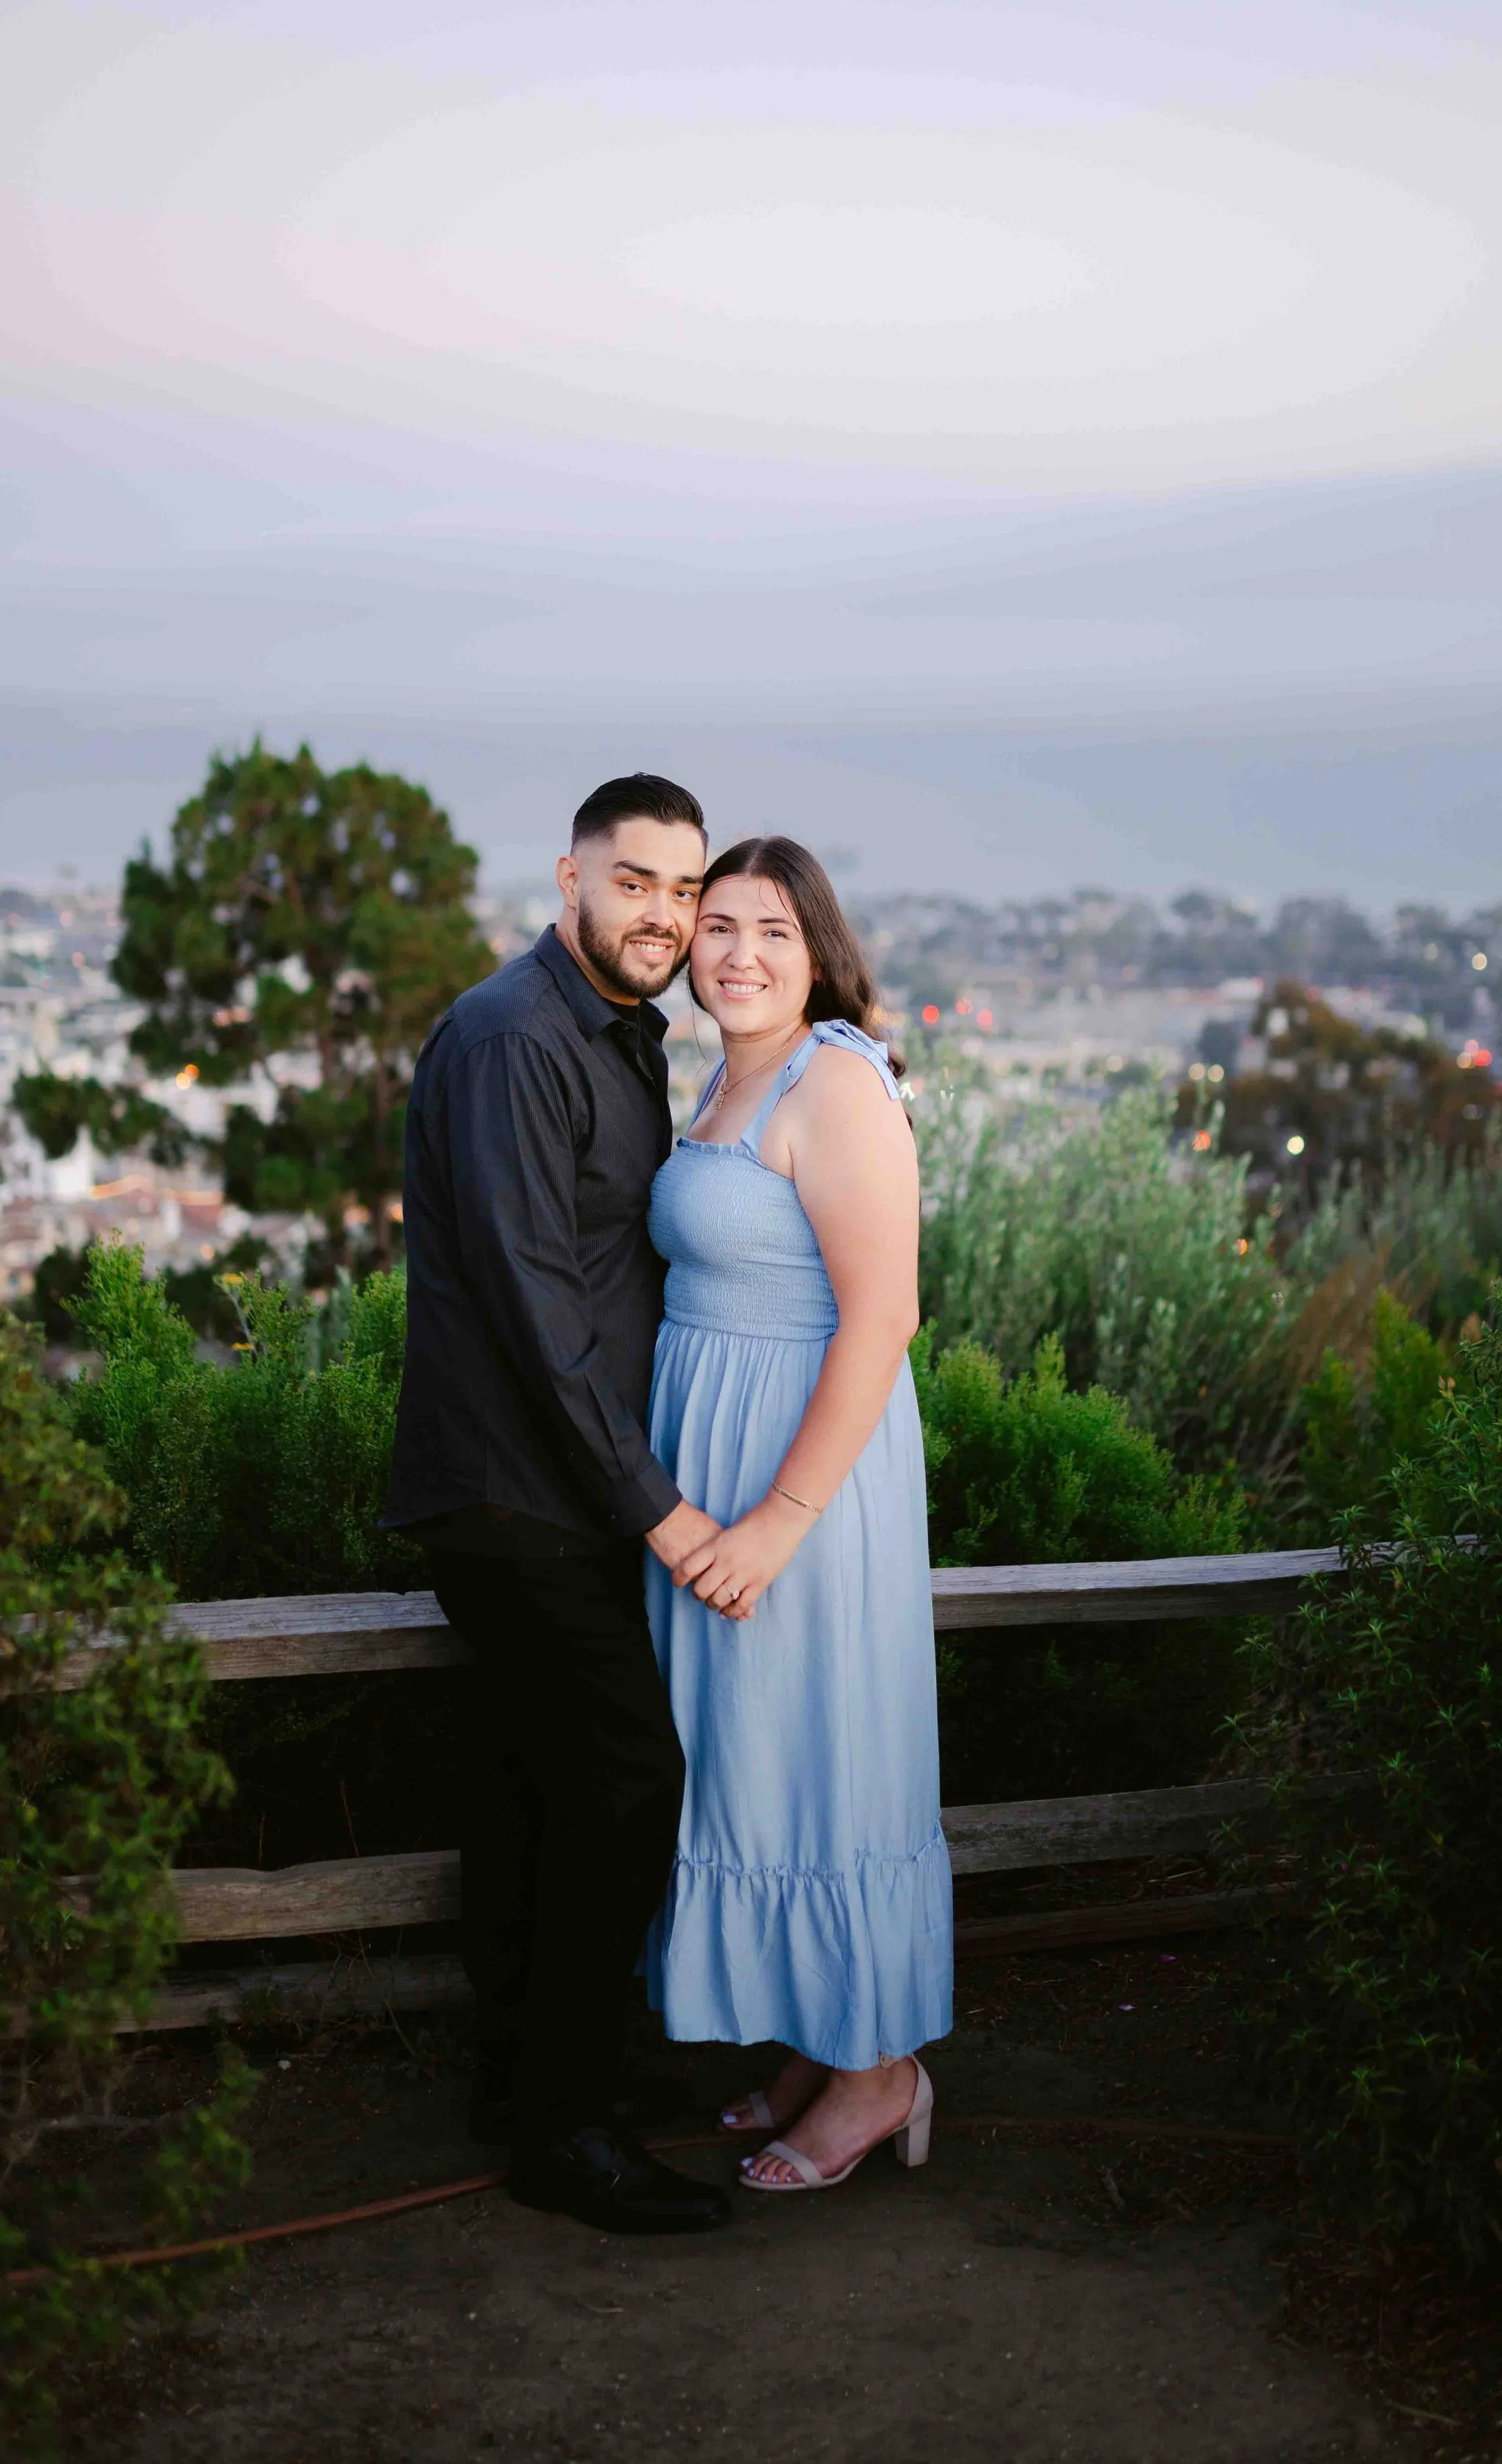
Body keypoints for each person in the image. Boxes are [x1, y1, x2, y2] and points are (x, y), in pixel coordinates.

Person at [384, 772, 730, 2237]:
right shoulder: (513, 1035)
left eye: (679, 890)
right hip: (518, 1494)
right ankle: (565, 2132)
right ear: (568, 879)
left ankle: (528, 2081)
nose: (658, 912)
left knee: (532, 1789)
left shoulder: (609, 1034)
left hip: (552, 1493)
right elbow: (535, 1309)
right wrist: (655, 1507)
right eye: (632, 880)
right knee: (624, 1780)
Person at [643, 836, 955, 2192]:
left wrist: (779, 1516)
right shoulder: (725, 1074)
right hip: (711, 1454)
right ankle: (817, 2037)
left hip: (806, 1478)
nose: (739, 952)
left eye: (771, 927)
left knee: (825, 1746)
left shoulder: (838, 1082)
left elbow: (884, 1315)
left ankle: (882, 2072)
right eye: (717, 926)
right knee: (750, 1754)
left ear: (818, 946)